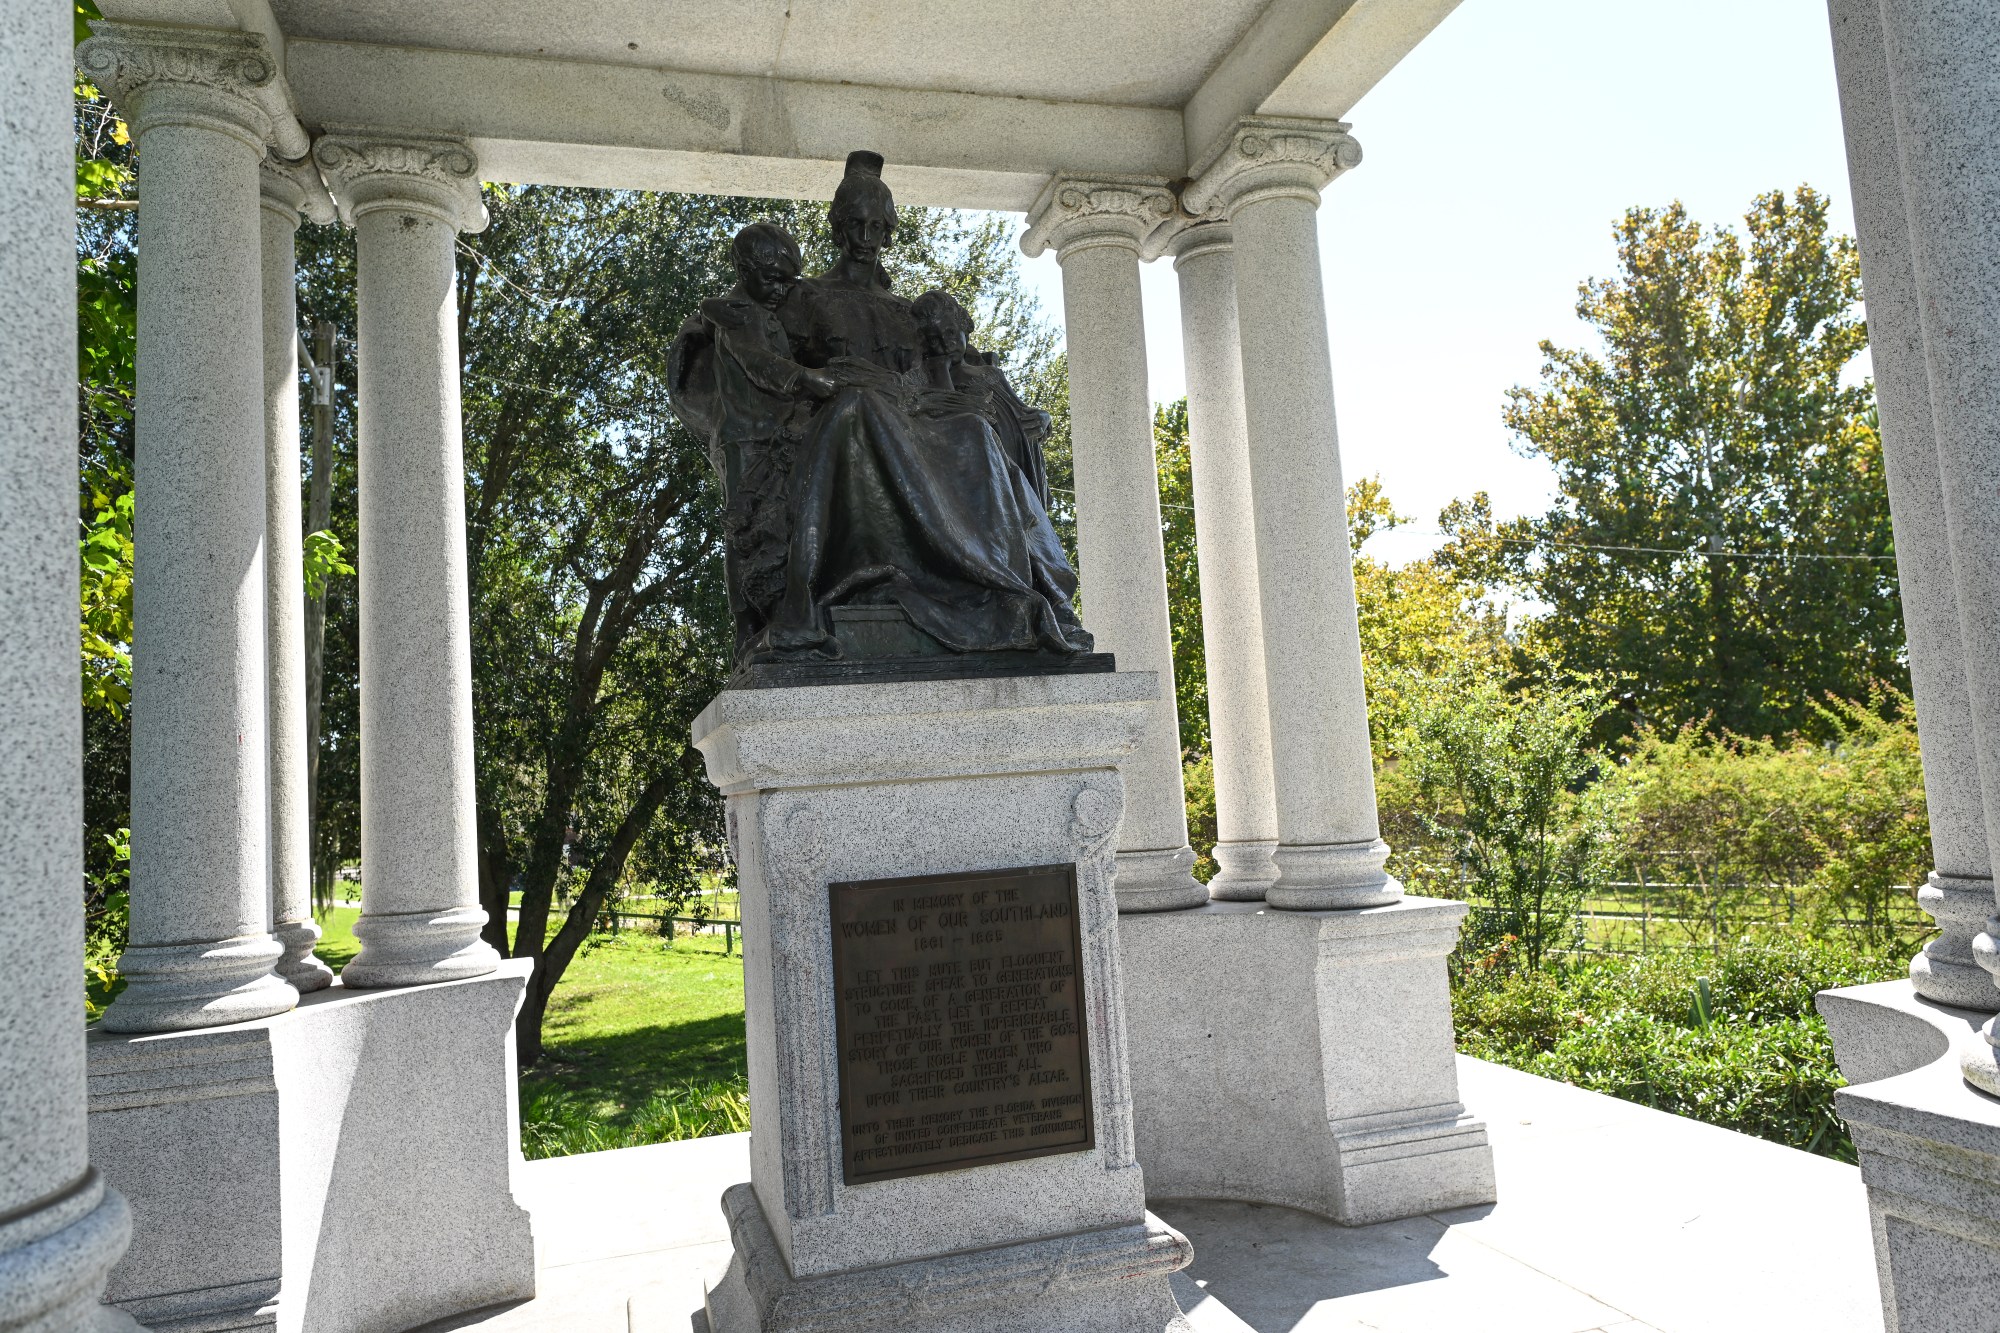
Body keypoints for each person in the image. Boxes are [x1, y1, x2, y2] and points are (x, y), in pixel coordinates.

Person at [754, 152, 1093, 663]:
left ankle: (1000, 584)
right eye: (855, 225)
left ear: (889, 232)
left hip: (915, 416)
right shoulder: (806, 298)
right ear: (838, 229)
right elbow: (765, 356)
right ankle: (837, 586)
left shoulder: (904, 311)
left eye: (876, 226)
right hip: (843, 416)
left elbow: (948, 363)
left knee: (975, 434)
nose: (866, 237)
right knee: (859, 406)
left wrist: (996, 389)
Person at [666, 222, 837, 656]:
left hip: (778, 434)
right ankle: (746, 627)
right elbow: (758, 362)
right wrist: (805, 378)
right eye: (771, 278)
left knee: (785, 522)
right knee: (745, 533)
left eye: (787, 279)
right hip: (745, 439)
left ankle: (783, 611)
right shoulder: (736, 315)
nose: (781, 289)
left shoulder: (766, 312)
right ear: (743, 270)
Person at [912, 288, 1056, 510]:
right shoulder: (926, 378)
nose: (945, 343)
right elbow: (951, 422)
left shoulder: (990, 373)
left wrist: (1044, 418)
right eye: (934, 338)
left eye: (950, 333)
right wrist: (940, 370)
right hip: (984, 470)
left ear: (964, 329)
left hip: (1022, 456)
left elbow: (1021, 410)